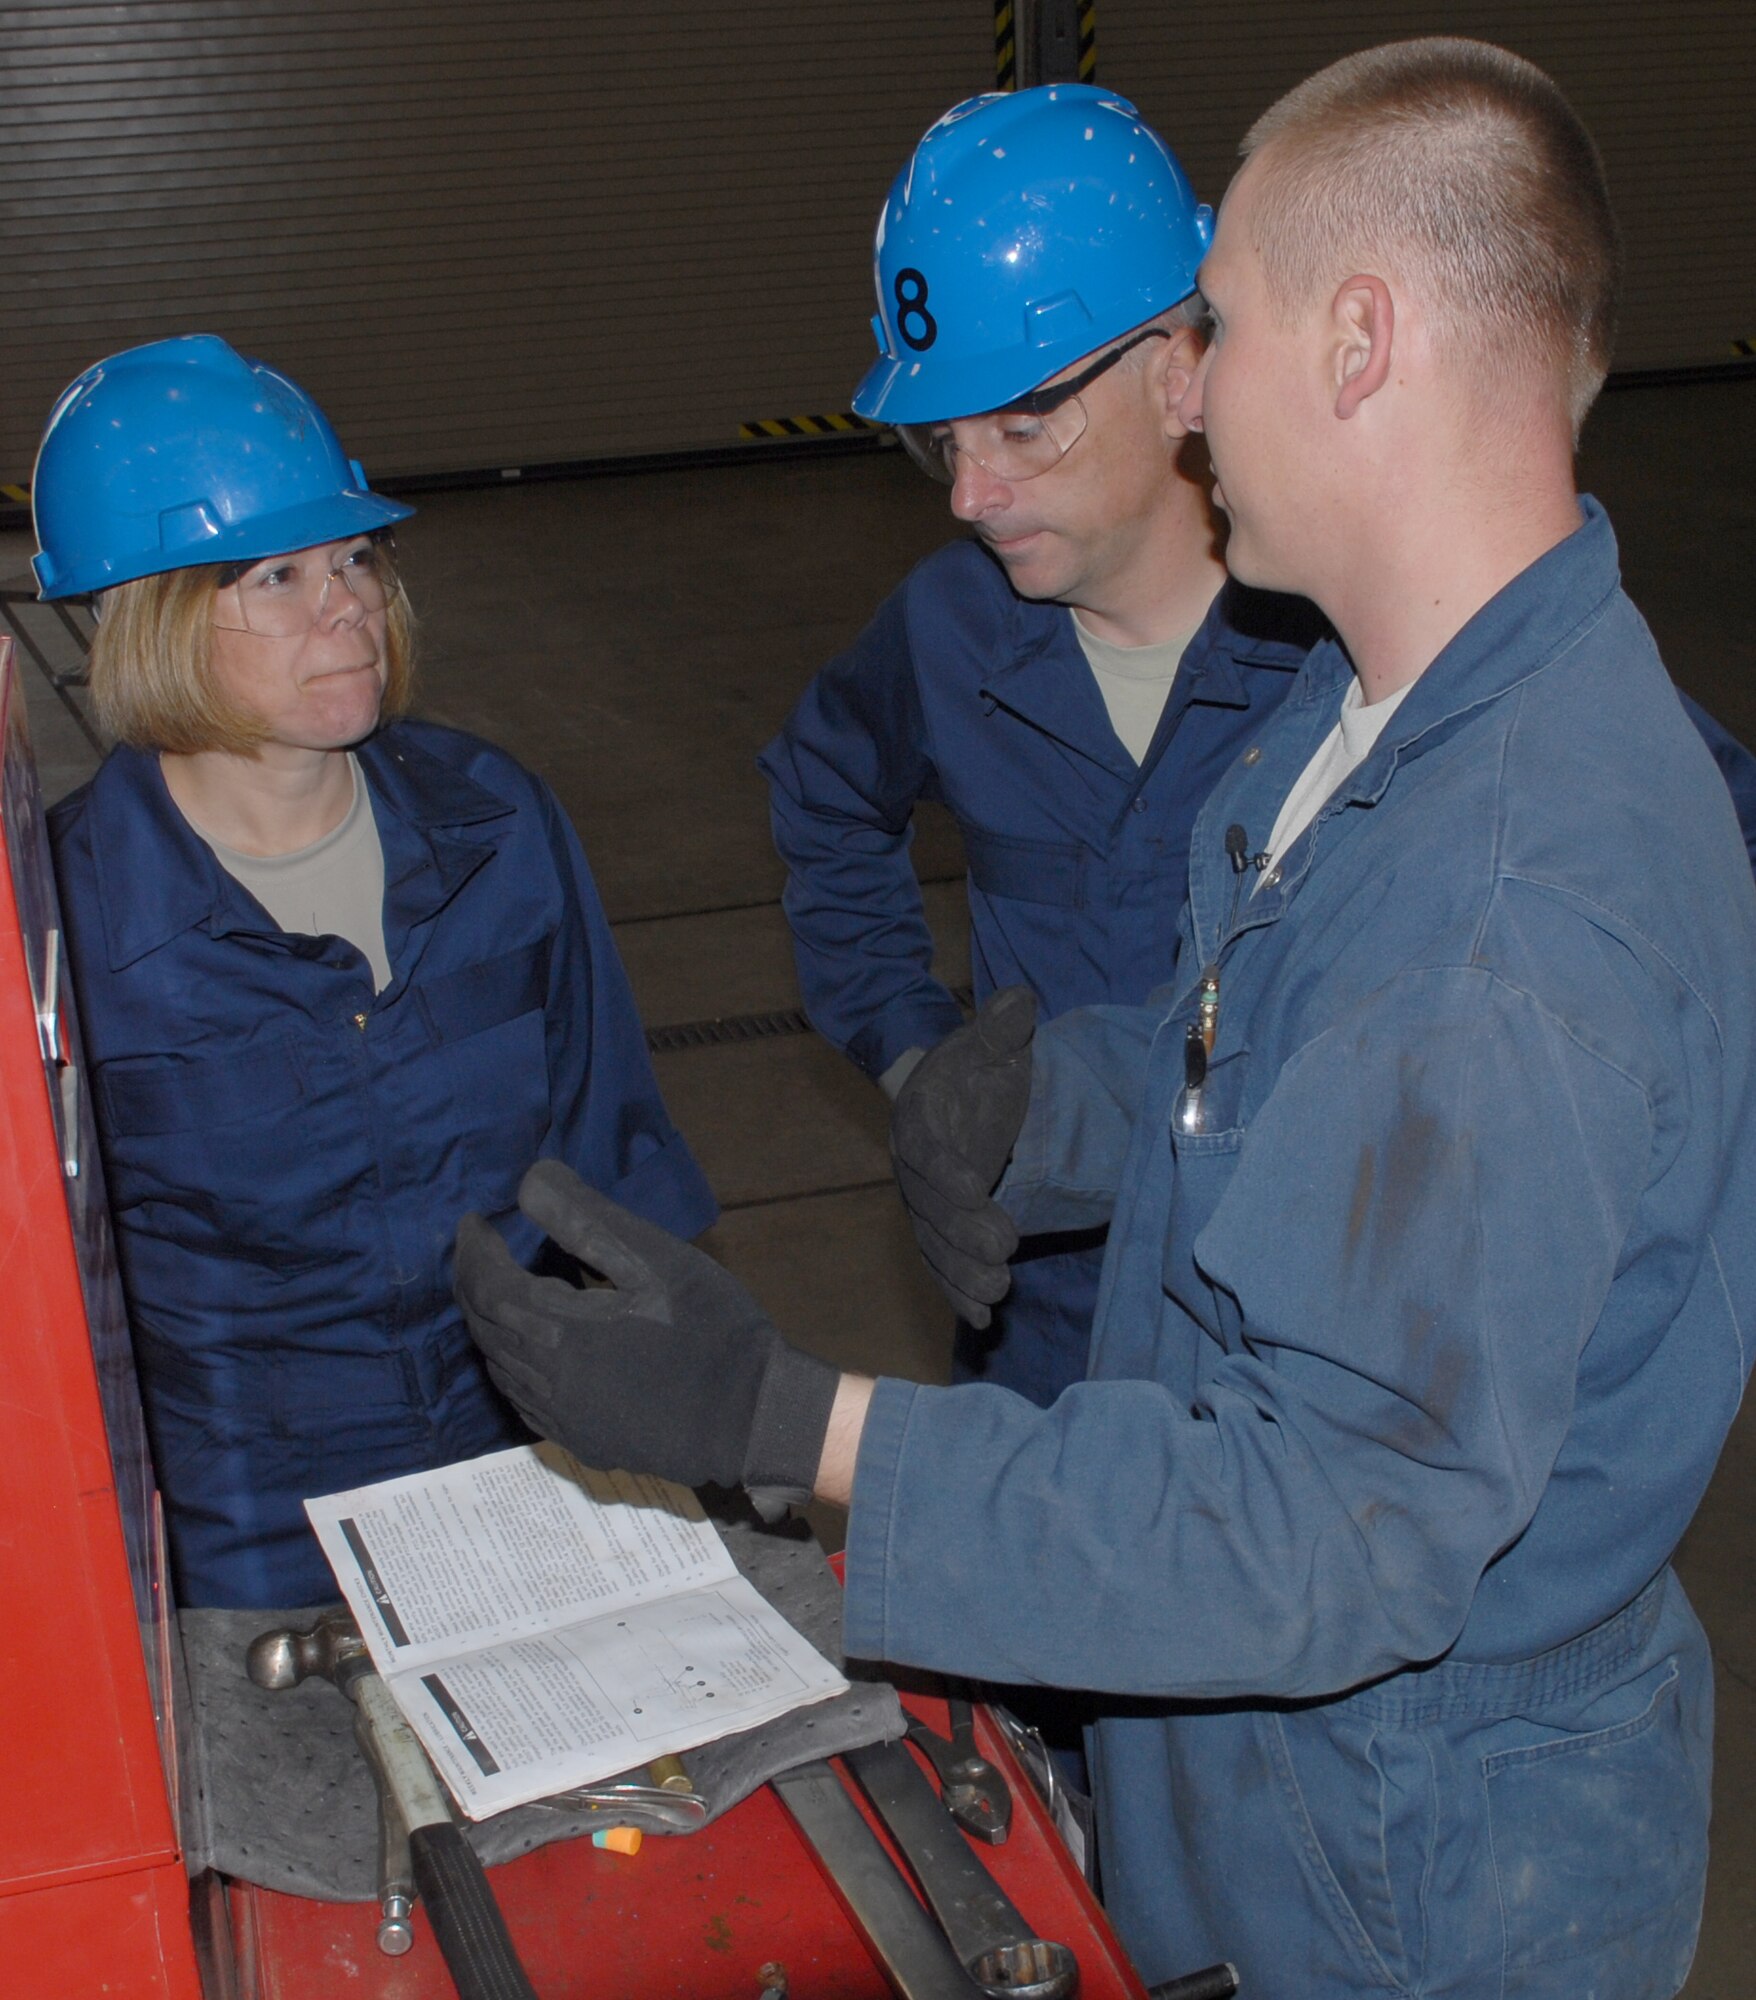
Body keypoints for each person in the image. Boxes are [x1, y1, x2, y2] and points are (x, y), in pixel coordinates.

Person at [456, 39, 1756, 1999]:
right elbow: (1285, 1064)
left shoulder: (1499, 911)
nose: (1189, 385)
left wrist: (791, 1422)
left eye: (1212, 324)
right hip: (1266, 1758)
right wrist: (1046, 1102)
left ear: (1354, 341)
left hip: (1400, 1857)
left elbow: (1322, 1530)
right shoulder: (1380, 709)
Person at [38, 333, 715, 1611]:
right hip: (243, 1536)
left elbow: (616, 1160)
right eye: (277, 574)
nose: (345, 601)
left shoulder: (498, 824)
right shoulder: (66, 922)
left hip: (534, 1458)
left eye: (352, 555)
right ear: (146, 616)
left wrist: (693, 1406)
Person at [759, 84, 1321, 1406]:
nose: (969, 495)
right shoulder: (951, 630)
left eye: (1022, 424)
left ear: (1183, 368)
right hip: (1040, 1322)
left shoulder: (1348, 633)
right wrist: (918, 1064)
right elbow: (827, 798)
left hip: (1300, 1338)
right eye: (940, 441)